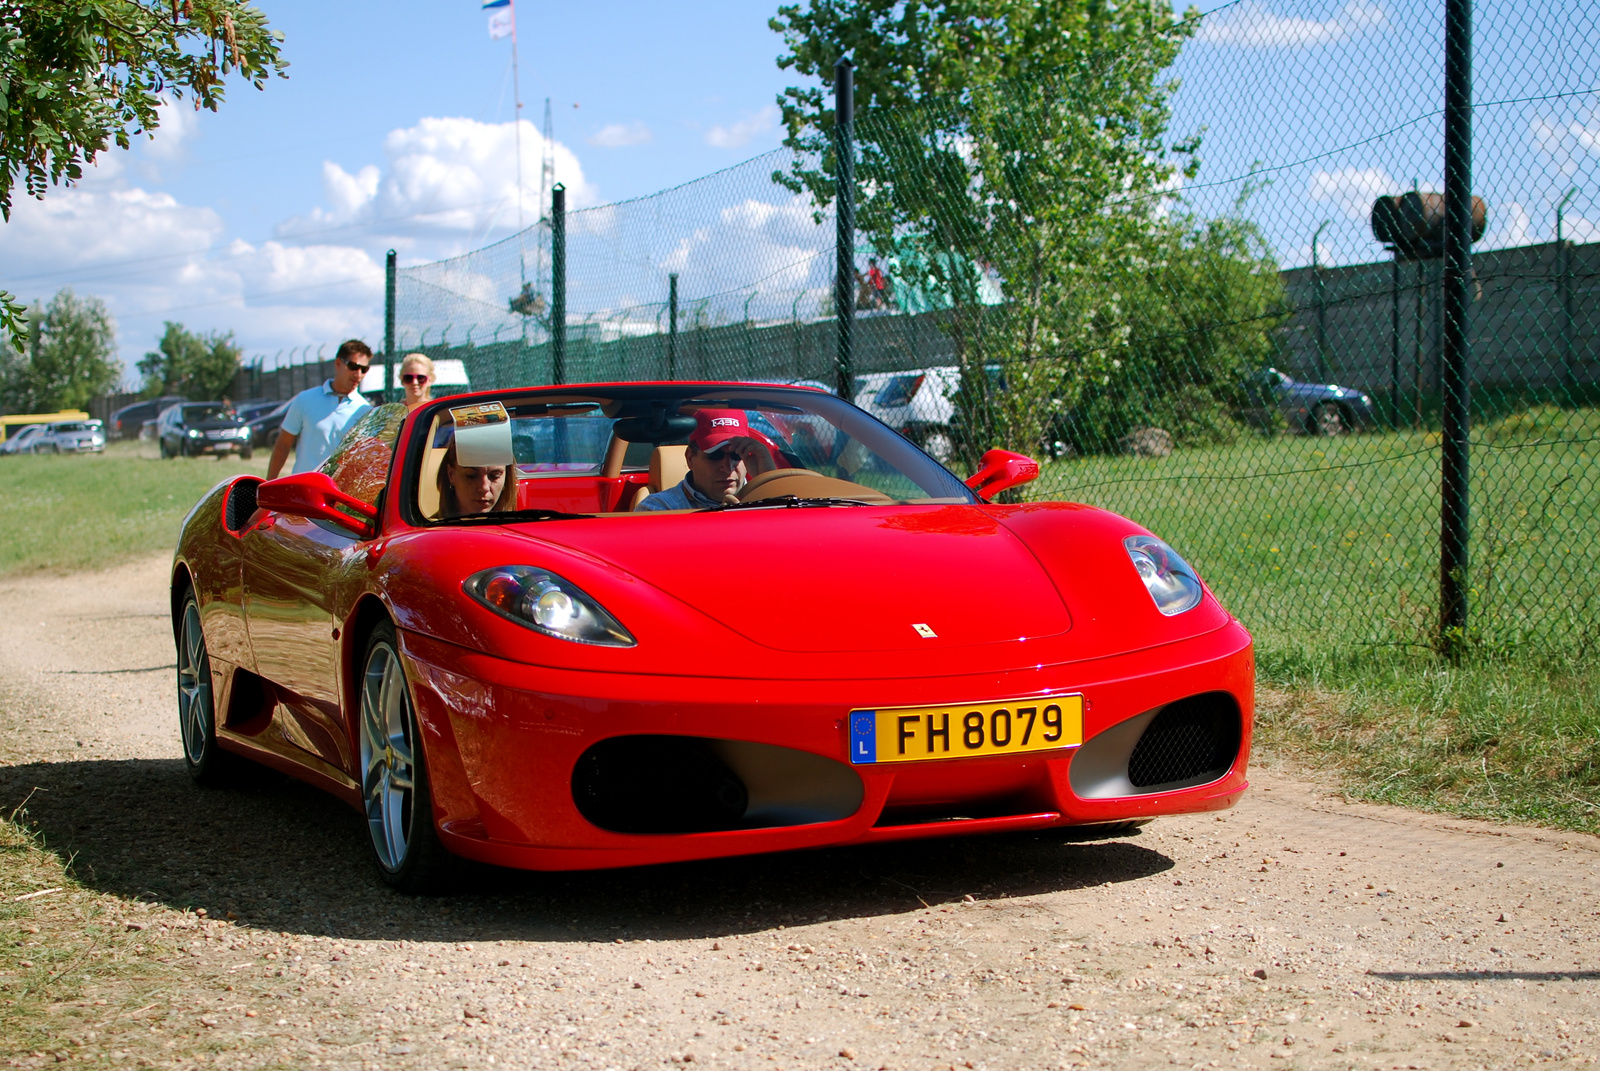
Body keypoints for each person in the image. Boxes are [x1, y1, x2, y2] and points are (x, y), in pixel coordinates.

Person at [267, 340, 373, 479]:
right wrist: (268, 483)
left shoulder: (366, 411)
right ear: (338, 363)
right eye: (353, 366)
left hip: (340, 496)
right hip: (303, 492)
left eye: (364, 369)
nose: (358, 374)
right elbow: (283, 444)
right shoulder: (305, 399)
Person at [637, 409, 775, 511]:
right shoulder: (659, 508)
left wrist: (769, 481)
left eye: (737, 455)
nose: (728, 468)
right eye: (715, 456)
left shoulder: (776, 500)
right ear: (690, 458)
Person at [435, 439, 519, 517]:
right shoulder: (430, 530)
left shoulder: (515, 528)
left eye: (495, 476)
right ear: (451, 475)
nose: (484, 487)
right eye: (471, 475)